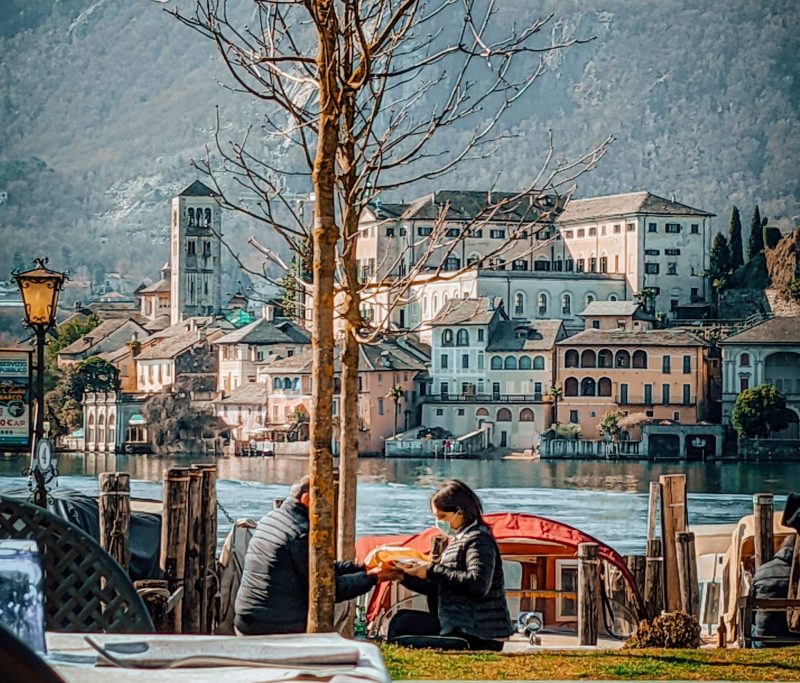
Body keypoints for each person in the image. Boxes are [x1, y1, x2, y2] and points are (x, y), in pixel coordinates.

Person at [234, 475, 398, 635]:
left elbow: (322, 568)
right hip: (275, 625)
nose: (329, 510)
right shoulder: (301, 534)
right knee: (336, 608)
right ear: (307, 499)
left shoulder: (271, 519)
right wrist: (373, 578)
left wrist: (361, 567)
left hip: (246, 619)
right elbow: (328, 589)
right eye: (325, 503)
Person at [388, 479, 512, 651]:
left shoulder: (479, 540)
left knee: (401, 632)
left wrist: (431, 570)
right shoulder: (460, 539)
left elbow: (477, 584)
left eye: (442, 517)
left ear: (459, 512)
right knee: (402, 621)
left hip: (476, 633)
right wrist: (402, 575)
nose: (438, 522)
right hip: (455, 624)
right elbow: (440, 585)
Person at [750, 493, 799, 647]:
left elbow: (751, 613)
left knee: (753, 628)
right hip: (795, 638)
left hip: (765, 640)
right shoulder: (797, 576)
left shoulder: (761, 572)